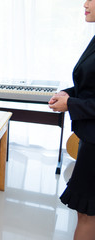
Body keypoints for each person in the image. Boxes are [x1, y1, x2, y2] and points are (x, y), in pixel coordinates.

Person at [49, 1, 95, 239]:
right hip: (89, 137)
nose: (85, 4)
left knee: (87, 214)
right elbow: (90, 87)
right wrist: (69, 94)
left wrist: (71, 104)